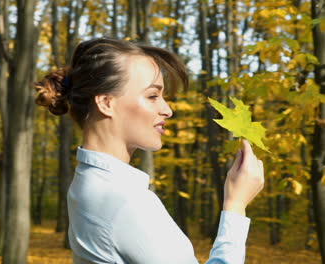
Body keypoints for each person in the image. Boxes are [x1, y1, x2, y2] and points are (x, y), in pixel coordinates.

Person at [34, 38, 264, 264]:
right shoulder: (124, 201)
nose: (167, 110)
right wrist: (235, 205)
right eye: (152, 96)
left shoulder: (88, 184)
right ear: (106, 103)